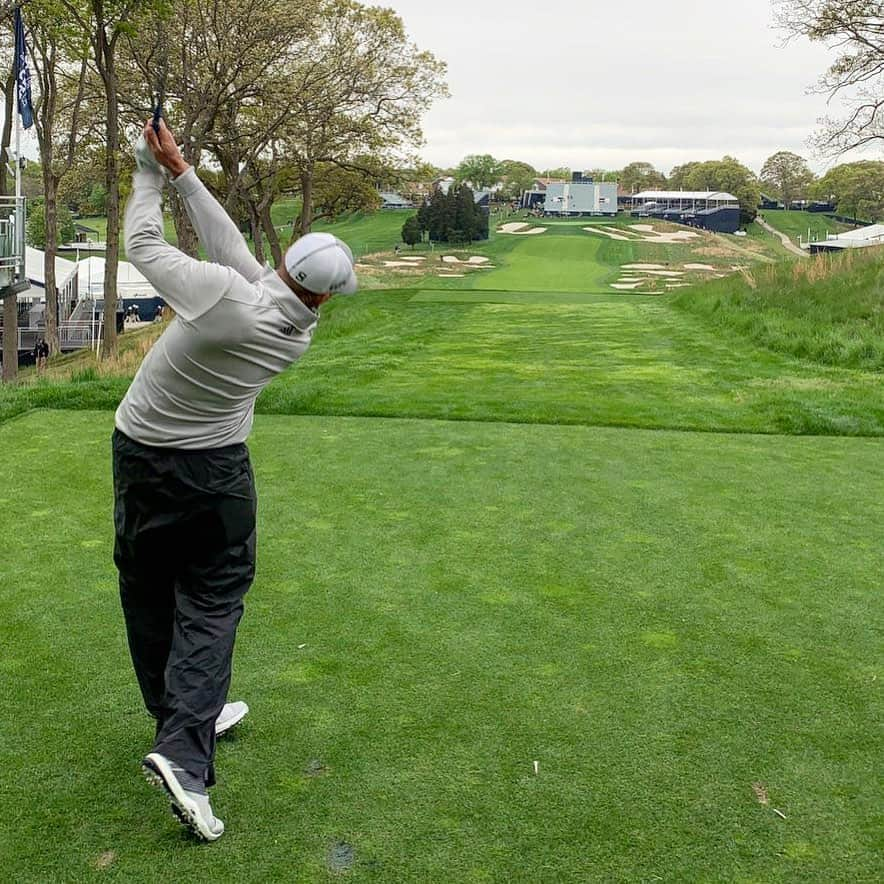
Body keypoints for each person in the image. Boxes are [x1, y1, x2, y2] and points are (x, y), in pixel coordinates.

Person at [113, 119, 357, 842]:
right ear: (325, 295)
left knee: (149, 588)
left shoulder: (229, 297)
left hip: (138, 453)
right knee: (213, 601)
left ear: (288, 263)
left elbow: (144, 246)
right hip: (216, 471)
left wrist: (148, 175)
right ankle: (187, 740)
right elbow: (232, 255)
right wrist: (184, 171)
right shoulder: (295, 328)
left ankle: (184, 728)